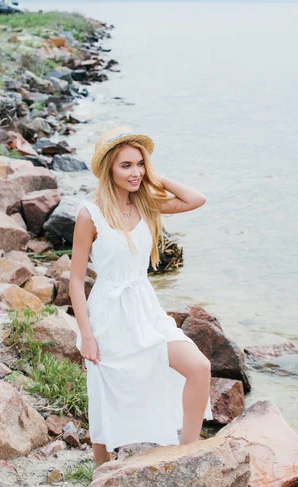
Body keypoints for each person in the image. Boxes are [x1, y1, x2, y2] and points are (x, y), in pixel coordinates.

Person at [69, 127, 213, 467]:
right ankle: (100, 468)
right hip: (108, 310)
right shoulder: (90, 214)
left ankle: (186, 454)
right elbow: (76, 280)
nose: (135, 173)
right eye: (126, 166)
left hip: (144, 308)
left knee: (199, 367)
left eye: (139, 164)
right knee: (106, 386)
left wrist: (155, 177)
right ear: (109, 170)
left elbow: (196, 199)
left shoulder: (147, 204)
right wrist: (86, 335)